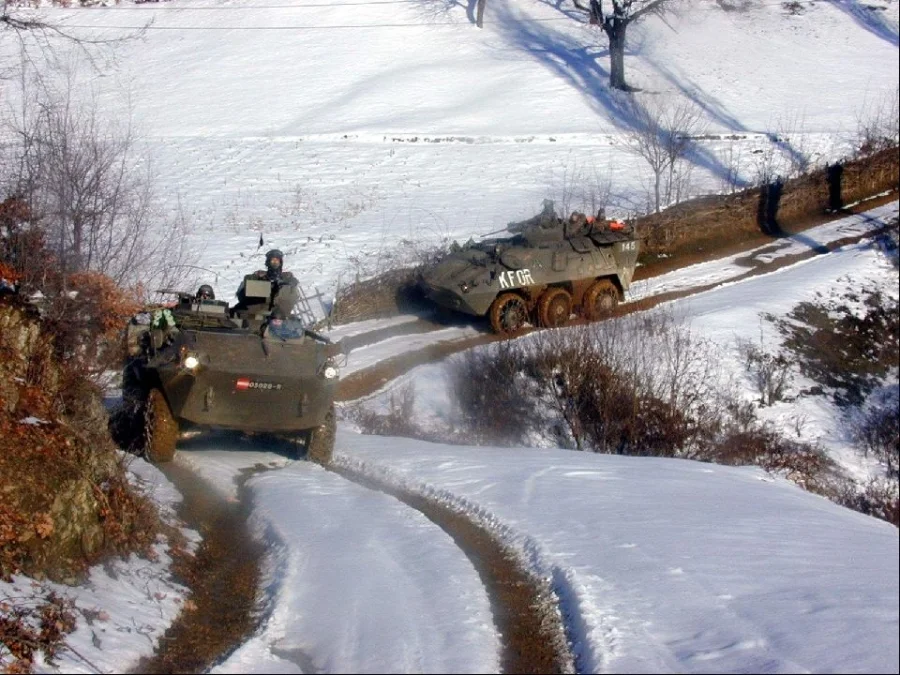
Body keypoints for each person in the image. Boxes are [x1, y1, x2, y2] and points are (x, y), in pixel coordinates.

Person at [234, 248, 300, 317]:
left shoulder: (287, 278)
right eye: (273, 261)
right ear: (268, 262)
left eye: (277, 261)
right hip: (259, 313)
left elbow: (294, 297)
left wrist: (290, 283)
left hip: (280, 315)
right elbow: (242, 292)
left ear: (280, 263)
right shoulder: (258, 276)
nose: (275, 263)